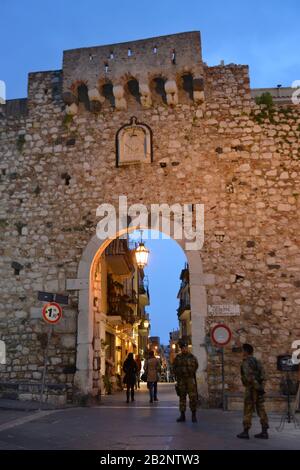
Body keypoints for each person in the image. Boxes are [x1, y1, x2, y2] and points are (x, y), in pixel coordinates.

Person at [237, 343, 269, 439]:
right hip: (259, 390)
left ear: (246, 351)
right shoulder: (257, 361)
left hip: (251, 389)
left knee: (248, 410)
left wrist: (257, 387)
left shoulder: (246, 362)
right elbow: (264, 376)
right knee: (261, 409)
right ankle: (264, 432)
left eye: (242, 350)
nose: (241, 352)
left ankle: (245, 432)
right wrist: (261, 388)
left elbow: (249, 377)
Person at [173, 340, 198, 423]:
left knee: (193, 398)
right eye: (183, 348)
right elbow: (174, 368)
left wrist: (189, 371)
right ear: (181, 349)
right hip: (181, 380)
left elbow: (196, 366)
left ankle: (193, 415)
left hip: (190, 379)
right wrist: (179, 372)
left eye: (186, 347)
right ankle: (182, 415)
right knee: (182, 398)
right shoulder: (178, 358)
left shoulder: (192, 357)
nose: (185, 349)